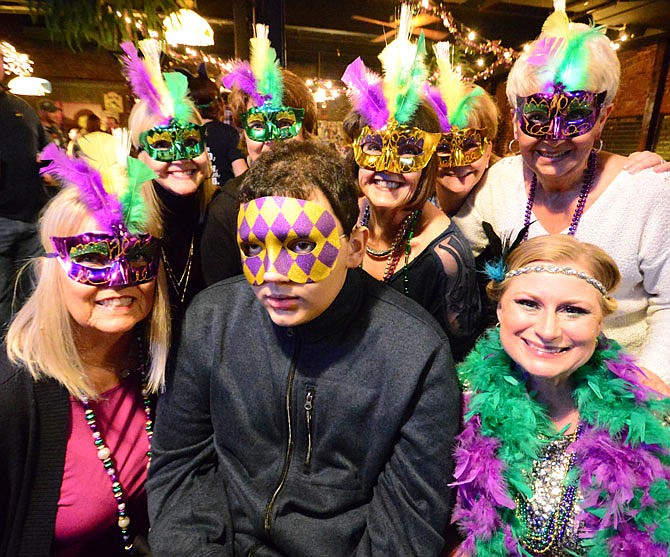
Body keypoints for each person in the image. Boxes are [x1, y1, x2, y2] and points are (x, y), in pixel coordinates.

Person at [147, 140, 460, 556]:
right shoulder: (211, 320)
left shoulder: (415, 353)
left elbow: (407, 527)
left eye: (299, 246)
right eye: (253, 248)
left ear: (354, 247)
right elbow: (180, 469)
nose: (273, 275)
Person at [453, 3, 670, 381]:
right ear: (516, 119)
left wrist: (649, 392)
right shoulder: (497, 183)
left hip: (619, 393)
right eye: (537, 116)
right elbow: (452, 253)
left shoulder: (646, 191)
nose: (554, 136)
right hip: (514, 386)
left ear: (603, 116)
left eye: (574, 116)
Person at [0, 134, 171, 557]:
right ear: (52, 270)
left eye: (135, 256)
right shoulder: (12, 396)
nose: (119, 278)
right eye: (93, 256)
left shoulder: (158, 364)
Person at [449, 234, 669, 556]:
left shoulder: (651, 417)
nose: (548, 330)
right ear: (499, 309)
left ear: (600, 322)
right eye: (528, 304)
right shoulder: (457, 403)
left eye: (573, 310)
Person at [342, 10, 480, 361]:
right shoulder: (344, 216)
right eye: (374, 147)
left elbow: (458, 360)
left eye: (407, 153)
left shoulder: (445, 257)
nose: (387, 167)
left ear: (430, 163)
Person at [200, 24, 318, 285]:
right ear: (244, 135)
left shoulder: (327, 195)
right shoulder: (227, 210)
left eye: (284, 123)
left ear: (307, 131)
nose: (271, 137)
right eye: (257, 125)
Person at [122, 39, 215, 315]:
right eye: (162, 144)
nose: (181, 155)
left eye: (190, 140)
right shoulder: (128, 229)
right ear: (139, 157)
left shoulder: (219, 215)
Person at [0, 52, 49, 331]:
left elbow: (47, 151)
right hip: (1, 219)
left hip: (34, 216)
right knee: (1, 300)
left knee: (35, 295)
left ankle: (29, 361)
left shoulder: (23, 108)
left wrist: (51, 165)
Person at [185, 63, 247, 186]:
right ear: (217, 103)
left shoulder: (181, 135)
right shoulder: (227, 133)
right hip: (222, 199)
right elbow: (242, 176)